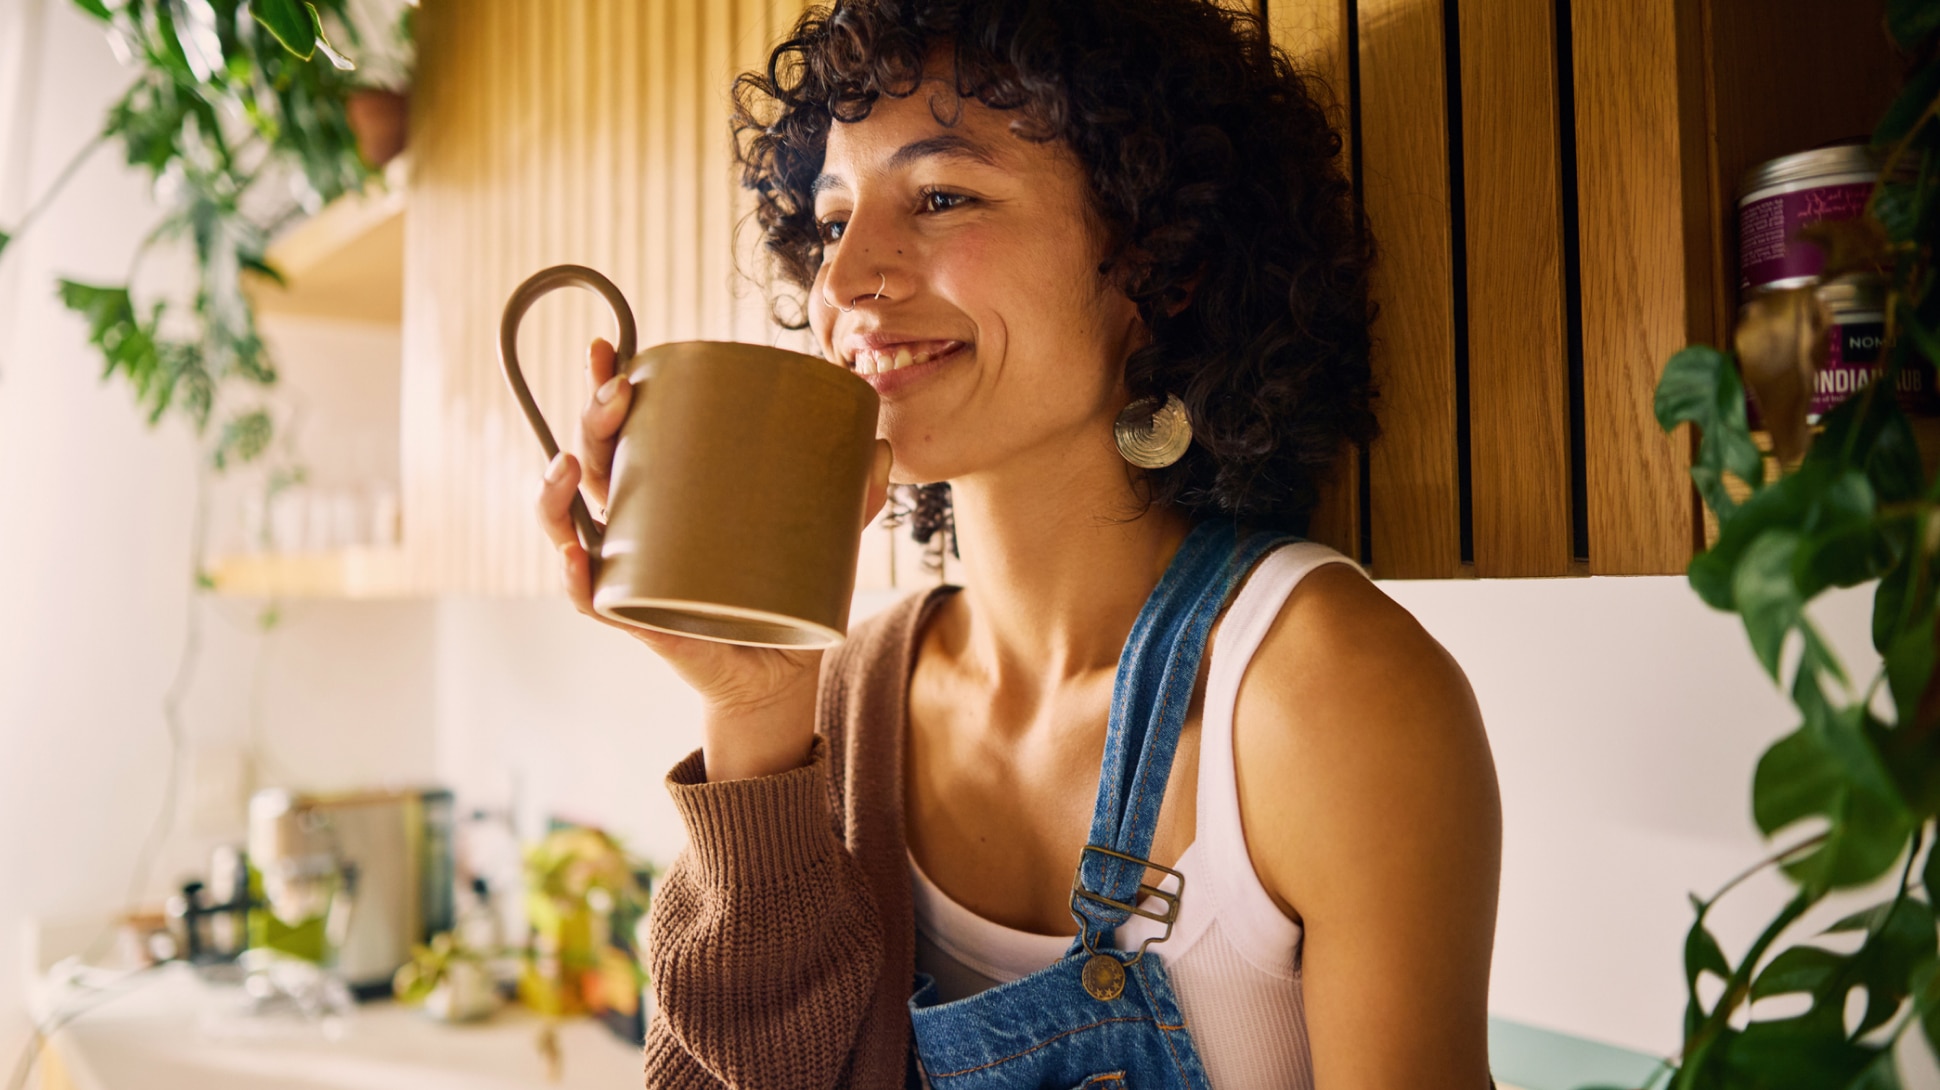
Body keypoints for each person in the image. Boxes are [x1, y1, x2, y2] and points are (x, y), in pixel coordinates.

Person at [533, 1, 1501, 1086]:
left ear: (1159, 266)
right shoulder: (843, 700)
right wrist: (753, 714)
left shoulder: (1328, 695)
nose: (842, 283)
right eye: (833, 219)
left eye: (941, 197)